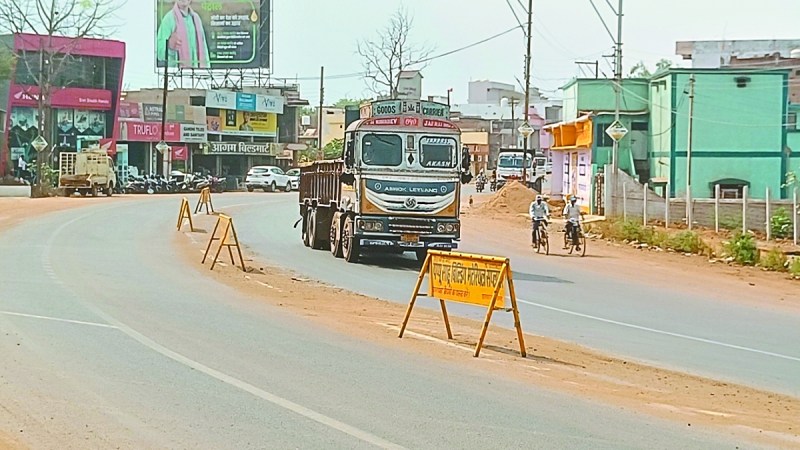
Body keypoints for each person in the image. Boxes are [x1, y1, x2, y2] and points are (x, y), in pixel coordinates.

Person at [156, 0, 211, 69]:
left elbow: (204, 50)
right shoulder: (168, 19)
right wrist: (170, 46)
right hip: (177, 75)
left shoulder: (196, 19)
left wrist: (207, 72)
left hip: (198, 74)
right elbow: (159, 53)